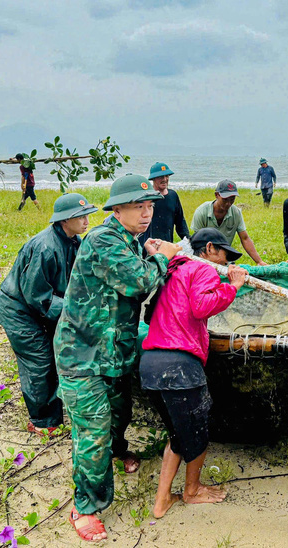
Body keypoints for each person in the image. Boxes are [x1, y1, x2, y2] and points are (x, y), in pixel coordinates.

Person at [53, 174, 181, 542]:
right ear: (117, 209)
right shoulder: (102, 240)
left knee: (119, 414)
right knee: (92, 430)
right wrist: (161, 257)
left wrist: (149, 251)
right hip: (83, 355)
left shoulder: (127, 239)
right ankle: (86, 505)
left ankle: (116, 452)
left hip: (112, 353)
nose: (146, 213)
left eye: (149, 206)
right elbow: (139, 283)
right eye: (138, 207)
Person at [141, 228, 246, 518]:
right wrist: (232, 286)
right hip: (179, 366)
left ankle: (162, 501)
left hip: (151, 363)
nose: (226, 262)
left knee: (178, 434)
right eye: (225, 255)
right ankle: (192, 490)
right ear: (209, 249)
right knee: (197, 433)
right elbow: (201, 306)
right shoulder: (202, 268)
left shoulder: (172, 268)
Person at [0, 194, 98, 435]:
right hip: (19, 311)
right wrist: (75, 310)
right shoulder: (45, 247)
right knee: (39, 362)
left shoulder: (74, 241)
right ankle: (42, 421)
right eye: (80, 216)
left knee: (55, 356)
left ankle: (54, 414)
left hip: (41, 306)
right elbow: (37, 297)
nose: (86, 220)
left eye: (86, 215)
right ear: (64, 220)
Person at [190, 180, 268, 265]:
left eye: (232, 199)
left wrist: (259, 261)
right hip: (206, 258)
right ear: (217, 195)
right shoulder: (202, 212)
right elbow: (197, 243)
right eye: (225, 200)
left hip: (224, 257)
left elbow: (245, 238)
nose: (228, 203)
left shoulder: (236, 213)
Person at [138, 162, 190, 246]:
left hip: (167, 244)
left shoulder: (173, 195)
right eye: (161, 177)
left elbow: (180, 222)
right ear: (153, 179)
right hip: (147, 245)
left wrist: (188, 240)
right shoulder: (147, 197)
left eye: (167, 176)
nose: (165, 179)